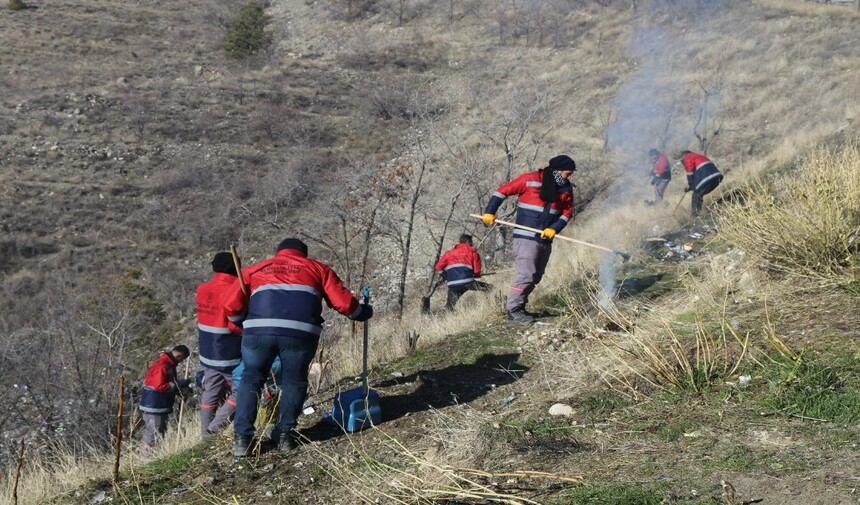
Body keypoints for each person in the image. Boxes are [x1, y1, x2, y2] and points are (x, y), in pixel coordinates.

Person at [224, 238, 373, 457]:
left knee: (251, 379)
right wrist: (362, 312)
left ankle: (242, 439)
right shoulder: (319, 269)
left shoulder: (256, 269)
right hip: (300, 333)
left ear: (278, 252)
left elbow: (231, 306)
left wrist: (241, 320)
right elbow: (344, 304)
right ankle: (285, 435)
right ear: (303, 254)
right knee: (294, 380)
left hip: (258, 332)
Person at [481, 155, 576, 323]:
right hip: (525, 237)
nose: (570, 177)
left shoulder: (566, 189)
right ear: (558, 171)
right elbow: (501, 191)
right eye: (568, 173)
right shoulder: (530, 180)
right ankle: (513, 310)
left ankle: (521, 308)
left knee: (536, 276)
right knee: (526, 273)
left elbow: (567, 212)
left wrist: (554, 229)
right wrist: (490, 211)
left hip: (546, 239)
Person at [197, 252, 244, 438]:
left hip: (207, 351)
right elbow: (235, 322)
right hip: (229, 351)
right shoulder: (236, 289)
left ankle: (204, 433)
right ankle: (215, 429)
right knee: (243, 389)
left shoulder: (202, 289)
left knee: (211, 391)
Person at [139, 345, 190, 450]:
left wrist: (179, 390)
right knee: (154, 433)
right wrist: (176, 385)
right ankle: (147, 459)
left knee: (159, 432)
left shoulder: (168, 364)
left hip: (159, 405)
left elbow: (168, 383)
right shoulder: (162, 366)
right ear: (179, 356)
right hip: (153, 405)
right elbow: (159, 386)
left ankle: (154, 456)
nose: (181, 362)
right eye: (182, 360)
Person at [435, 234, 491, 310]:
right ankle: (491, 305)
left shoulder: (448, 254)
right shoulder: (473, 253)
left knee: (449, 307)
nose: (472, 244)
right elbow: (477, 271)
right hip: (468, 282)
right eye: (471, 242)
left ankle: (445, 318)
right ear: (468, 242)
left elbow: (438, 268)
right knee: (490, 288)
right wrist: (476, 275)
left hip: (453, 284)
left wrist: (447, 277)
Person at [679, 150, 723, 217]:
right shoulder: (698, 156)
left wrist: (690, 184)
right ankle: (697, 214)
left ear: (684, 155)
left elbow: (690, 172)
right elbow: (699, 176)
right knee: (699, 193)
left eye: (682, 158)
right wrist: (691, 187)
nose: (682, 160)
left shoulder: (688, 158)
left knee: (696, 195)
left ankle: (694, 217)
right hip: (716, 178)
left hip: (708, 178)